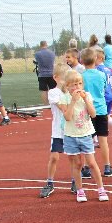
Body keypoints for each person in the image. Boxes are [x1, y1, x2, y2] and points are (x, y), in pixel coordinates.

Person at [57, 70, 108, 203]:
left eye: (80, 83)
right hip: (70, 136)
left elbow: (93, 114)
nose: (78, 87)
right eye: (74, 84)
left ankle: (101, 188)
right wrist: (73, 101)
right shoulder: (64, 98)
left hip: (85, 134)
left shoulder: (87, 96)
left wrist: (85, 99)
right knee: (78, 164)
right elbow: (68, 117)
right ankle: (80, 190)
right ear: (68, 86)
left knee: (91, 163)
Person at [39, 63, 76, 199]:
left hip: (71, 130)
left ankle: (75, 181)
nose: (67, 81)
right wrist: (73, 98)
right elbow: (64, 108)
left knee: (73, 157)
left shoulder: (71, 92)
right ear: (56, 78)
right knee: (54, 157)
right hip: (58, 131)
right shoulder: (53, 92)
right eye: (65, 78)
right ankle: (49, 182)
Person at [80, 48, 112, 178]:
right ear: (95, 59)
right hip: (101, 109)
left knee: (87, 140)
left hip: (87, 110)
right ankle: (107, 167)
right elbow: (104, 88)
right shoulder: (102, 75)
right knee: (103, 140)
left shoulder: (81, 76)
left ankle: (86, 168)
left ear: (81, 61)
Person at [34, 40, 56, 105]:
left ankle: (46, 105)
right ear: (46, 45)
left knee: (44, 90)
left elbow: (36, 62)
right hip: (51, 73)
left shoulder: (37, 54)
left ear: (40, 45)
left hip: (42, 74)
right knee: (53, 90)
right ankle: (54, 103)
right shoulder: (52, 53)